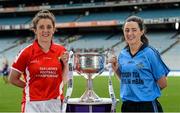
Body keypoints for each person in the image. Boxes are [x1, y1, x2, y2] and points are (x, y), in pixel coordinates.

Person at [8, 10, 69, 113]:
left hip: (55, 103)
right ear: (35, 30)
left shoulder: (61, 51)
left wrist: (66, 64)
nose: (45, 30)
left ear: (54, 29)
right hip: (32, 105)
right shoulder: (26, 53)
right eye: (41, 27)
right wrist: (29, 87)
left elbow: (64, 80)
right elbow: (12, 79)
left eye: (49, 27)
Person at [109, 16, 169, 112]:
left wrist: (145, 94)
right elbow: (125, 79)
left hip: (147, 106)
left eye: (134, 30)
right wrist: (116, 69)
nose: (130, 33)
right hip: (127, 106)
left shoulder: (150, 53)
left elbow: (163, 83)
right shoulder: (122, 54)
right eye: (127, 30)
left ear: (141, 32)